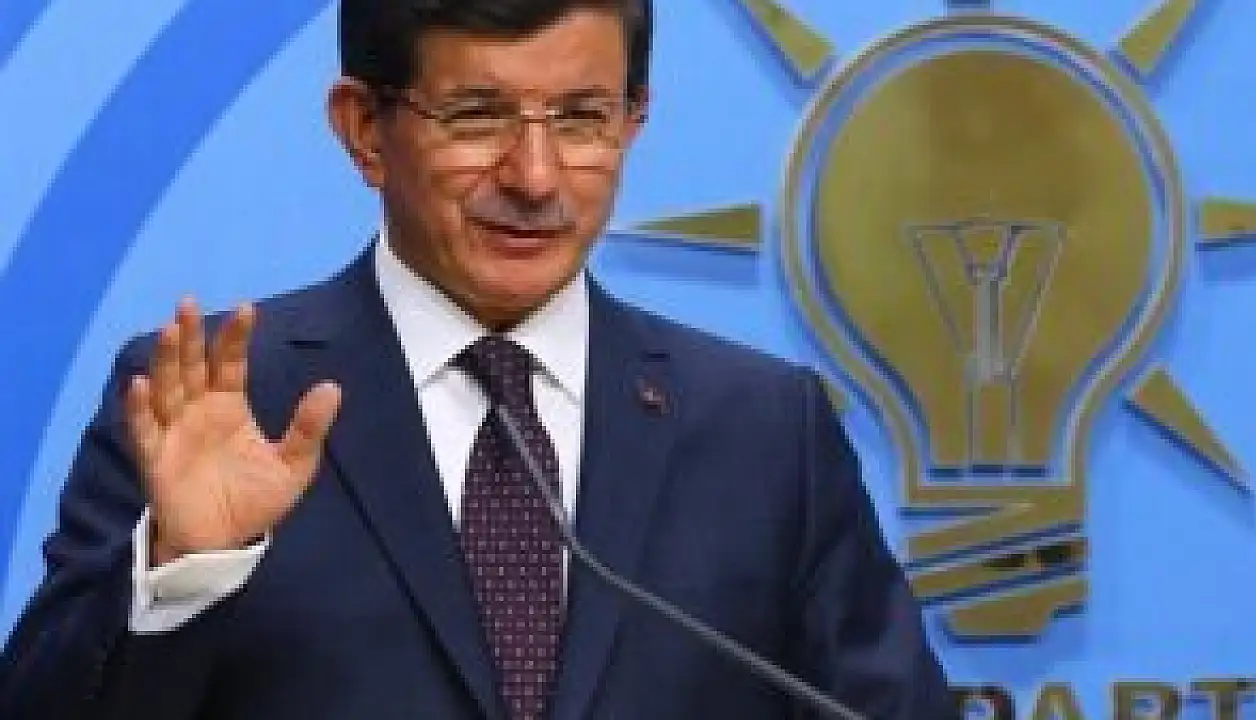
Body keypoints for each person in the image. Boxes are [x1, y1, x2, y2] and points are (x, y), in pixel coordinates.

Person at [0, 0, 956, 717]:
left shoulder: (763, 431)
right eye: (477, 116)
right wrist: (183, 572)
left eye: (580, 118)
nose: (535, 177)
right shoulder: (219, 402)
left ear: (634, 121)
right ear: (364, 128)